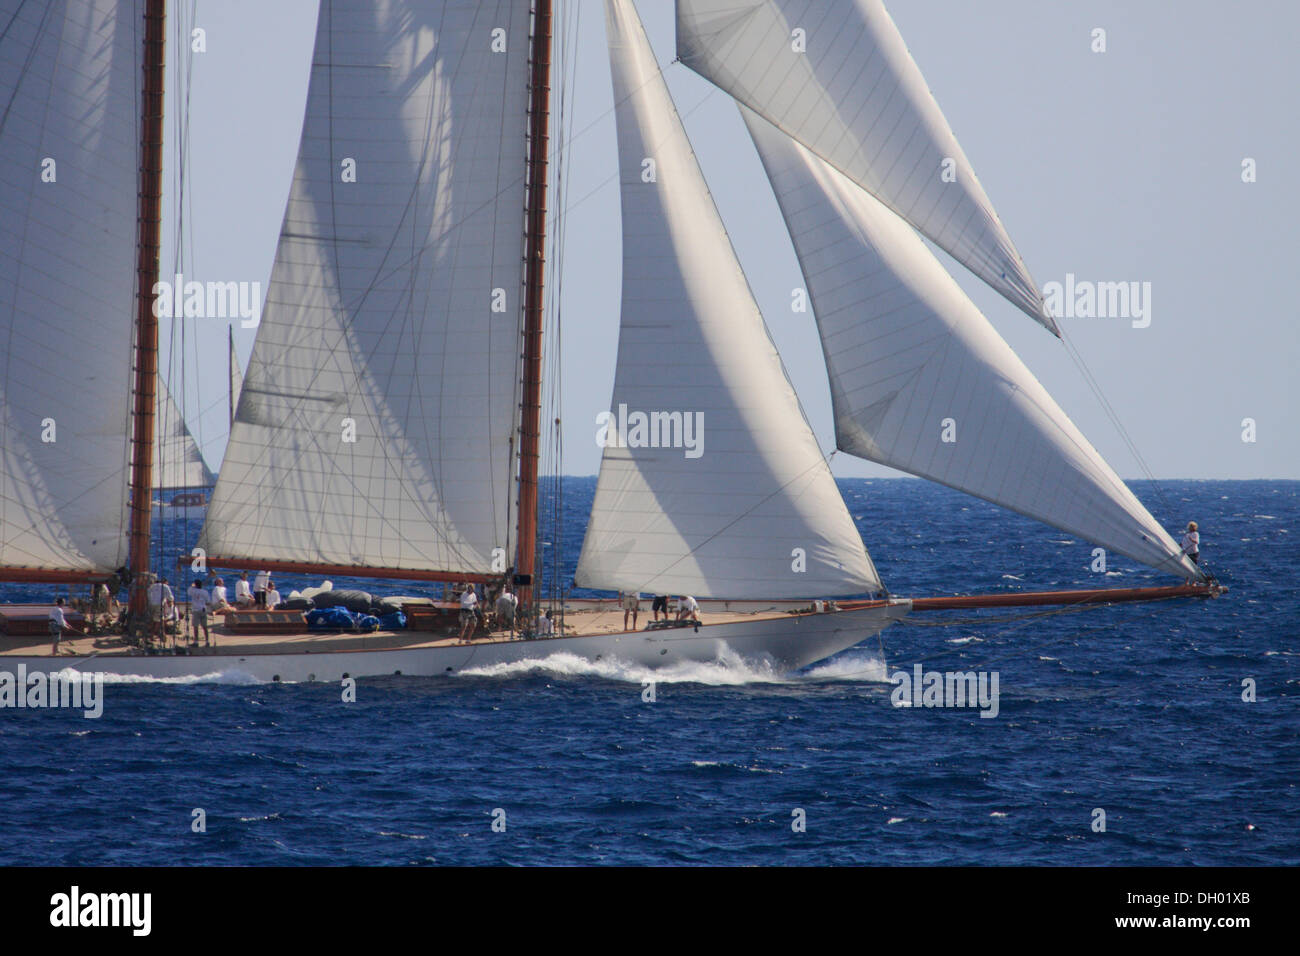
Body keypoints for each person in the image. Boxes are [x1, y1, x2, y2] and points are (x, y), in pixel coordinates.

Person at [188, 580, 211, 646]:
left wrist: (192, 586)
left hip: (196, 610)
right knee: (205, 627)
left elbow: (188, 592)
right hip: (203, 610)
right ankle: (207, 641)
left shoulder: (193, 591)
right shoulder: (205, 592)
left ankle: (196, 642)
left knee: (196, 627)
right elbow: (208, 601)